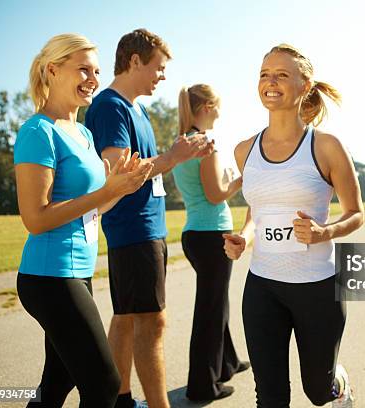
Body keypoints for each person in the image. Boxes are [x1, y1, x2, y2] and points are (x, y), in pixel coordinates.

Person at [15, 33, 153, 407]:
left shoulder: (86, 133)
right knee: (105, 385)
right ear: (52, 70)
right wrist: (107, 191)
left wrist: (120, 188)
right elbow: (36, 218)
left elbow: (92, 208)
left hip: (79, 271)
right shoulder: (37, 132)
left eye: (96, 70)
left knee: (56, 383)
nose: (93, 78)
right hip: (49, 276)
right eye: (82, 69)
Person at [223, 44, 364, 408]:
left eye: (282, 75)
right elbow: (258, 210)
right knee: (269, 396)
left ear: (305, 85)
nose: (270, 82)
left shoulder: (327, 146)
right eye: (264, 74)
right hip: (262, 286)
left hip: (316, 286)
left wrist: (324, 231)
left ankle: (338, 386)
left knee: (317, 391)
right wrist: (244, 236)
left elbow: (356, 213)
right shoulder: (244, 150)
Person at [85, 29, 212, 408]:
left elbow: (146, 169)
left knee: (126, 318)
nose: (163, 76)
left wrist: (177, 157)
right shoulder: (110, 106)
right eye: (158, 68)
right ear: (135, 60)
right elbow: (116, 176)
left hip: (147, 227)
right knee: (152, 323)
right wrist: (173, 157)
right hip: (132, 228)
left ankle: (120, 400)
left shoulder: (136, 108)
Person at [171, 84, 248, 401]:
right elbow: (216, 194)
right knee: (211, 309)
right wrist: (240, 179)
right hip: (211, 235)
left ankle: (226, 362)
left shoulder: (182, 143)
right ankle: (203, 384)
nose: (220, 112)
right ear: (205, 107)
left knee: (216, 303)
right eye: (217, 106)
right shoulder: (204, 145)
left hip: (195, 234)